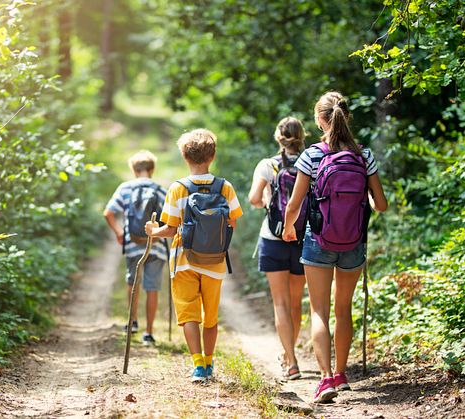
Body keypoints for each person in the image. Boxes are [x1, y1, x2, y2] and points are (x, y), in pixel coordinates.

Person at [282, 91, 387, 403]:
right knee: (344, 309)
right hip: (353, 242)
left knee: (319, 310)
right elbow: (381, 204)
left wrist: (289, 228)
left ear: (319, 119)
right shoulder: (363, 155)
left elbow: (294, 204)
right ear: (346, 117)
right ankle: (342, 375)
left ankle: (325, 378)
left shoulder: (313, 155)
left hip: (318, 240)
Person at [145, 129, 243, 382]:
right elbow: (233, 222)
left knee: (189, 314)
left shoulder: (178, 189)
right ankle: (210, 363)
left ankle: (198, 365)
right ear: (213, 156)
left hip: (184, 260)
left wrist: (153, 232)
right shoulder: (225, 187)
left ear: (184, 157)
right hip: (215, 262)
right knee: (210, 317)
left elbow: (170, 228)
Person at [247, 117, 307, 381]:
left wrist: (268, 206)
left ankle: (290, 361)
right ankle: (288, 353)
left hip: (273, 238)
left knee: (280, 303)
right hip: (303, 238)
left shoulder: (268, 165)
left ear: (278, 137)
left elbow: (253, 198)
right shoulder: (311, 162)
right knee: (296, 303)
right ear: (302, 136)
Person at [104, 150, 168, 346]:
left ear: (133, 169)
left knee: (133, 282)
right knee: (153, 287)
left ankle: (132, 322)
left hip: (132, 244)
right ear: (152, 169)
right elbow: (171, 217)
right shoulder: (159, 189)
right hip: (155, 245)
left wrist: (119, 233)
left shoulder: (125, 188)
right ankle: (148, 333)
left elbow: (108, 213)